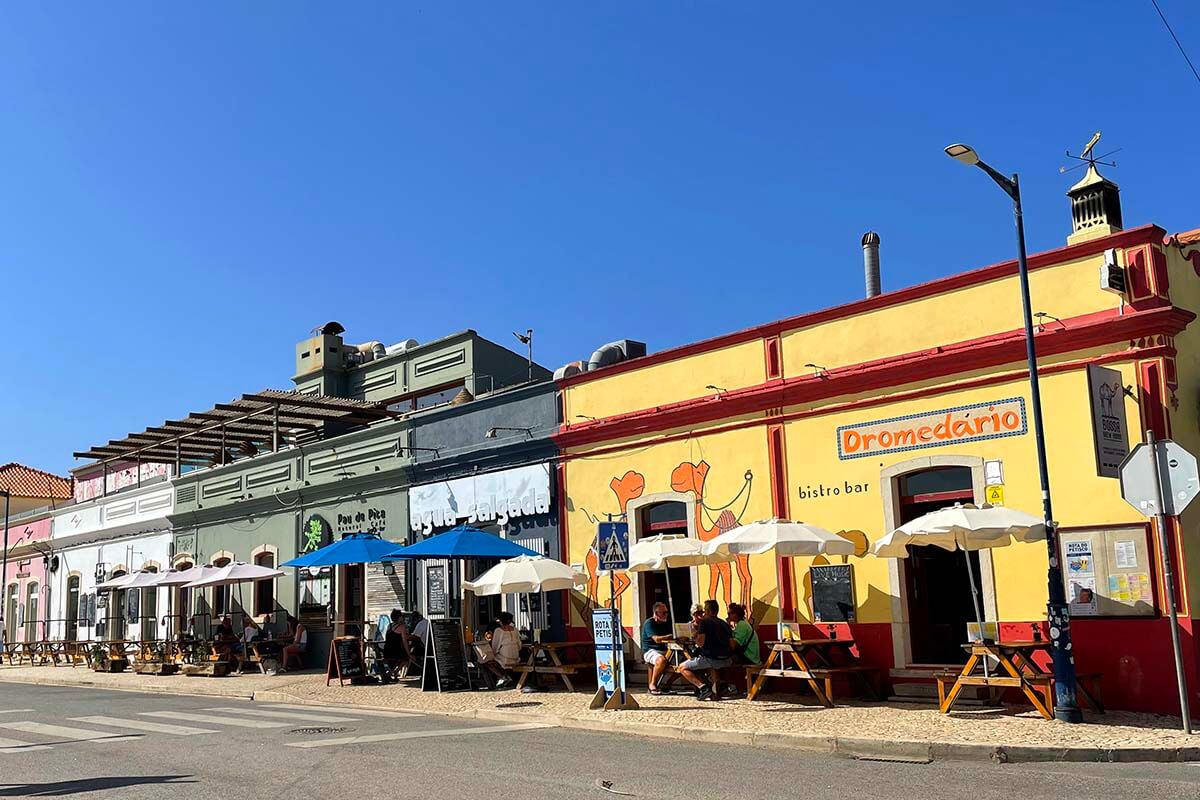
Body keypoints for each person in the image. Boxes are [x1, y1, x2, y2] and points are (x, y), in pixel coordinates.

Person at [678, 600, 735, 701]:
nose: (703, 613)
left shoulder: (704, 622)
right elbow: (732, 645)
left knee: (682, 667)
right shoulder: (724, 624)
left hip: (711, 659)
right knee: (709, 666)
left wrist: (694, 637)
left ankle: (703, 688)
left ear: (707, 611)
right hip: (727, 659)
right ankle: (715, 692)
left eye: (704, 611)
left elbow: (700, 643)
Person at [481, 611, 522, 688]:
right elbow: (519, 646)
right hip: (516, 658)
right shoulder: (516, 630)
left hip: (505, 660)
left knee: (486, 661)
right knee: (494, 659)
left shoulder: (499, 631)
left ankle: (502, 677)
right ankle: (504, 677)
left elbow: (495, 648)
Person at [641, 602, 674, 695]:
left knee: (685, 662)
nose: (666, 614)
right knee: (661, 660)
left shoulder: (666, 623)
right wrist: (670, 636)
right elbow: (656, 639)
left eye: (667, 612)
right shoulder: (649, 623)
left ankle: (667, 685)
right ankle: (653, 684)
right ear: (656, 613)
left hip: (666, 650)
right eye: (663, 613)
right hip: (650, 650)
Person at [382, 609, 411, 680]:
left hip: (387, 650)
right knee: (406, 658)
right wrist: (409, 653)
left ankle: (392, 672)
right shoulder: (402, 627)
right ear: (399, 617)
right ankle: (395, 672)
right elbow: (405, 641)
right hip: (395, 651)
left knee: (398, 659)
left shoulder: (390, 625)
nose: (403, 618)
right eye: (401, 616)